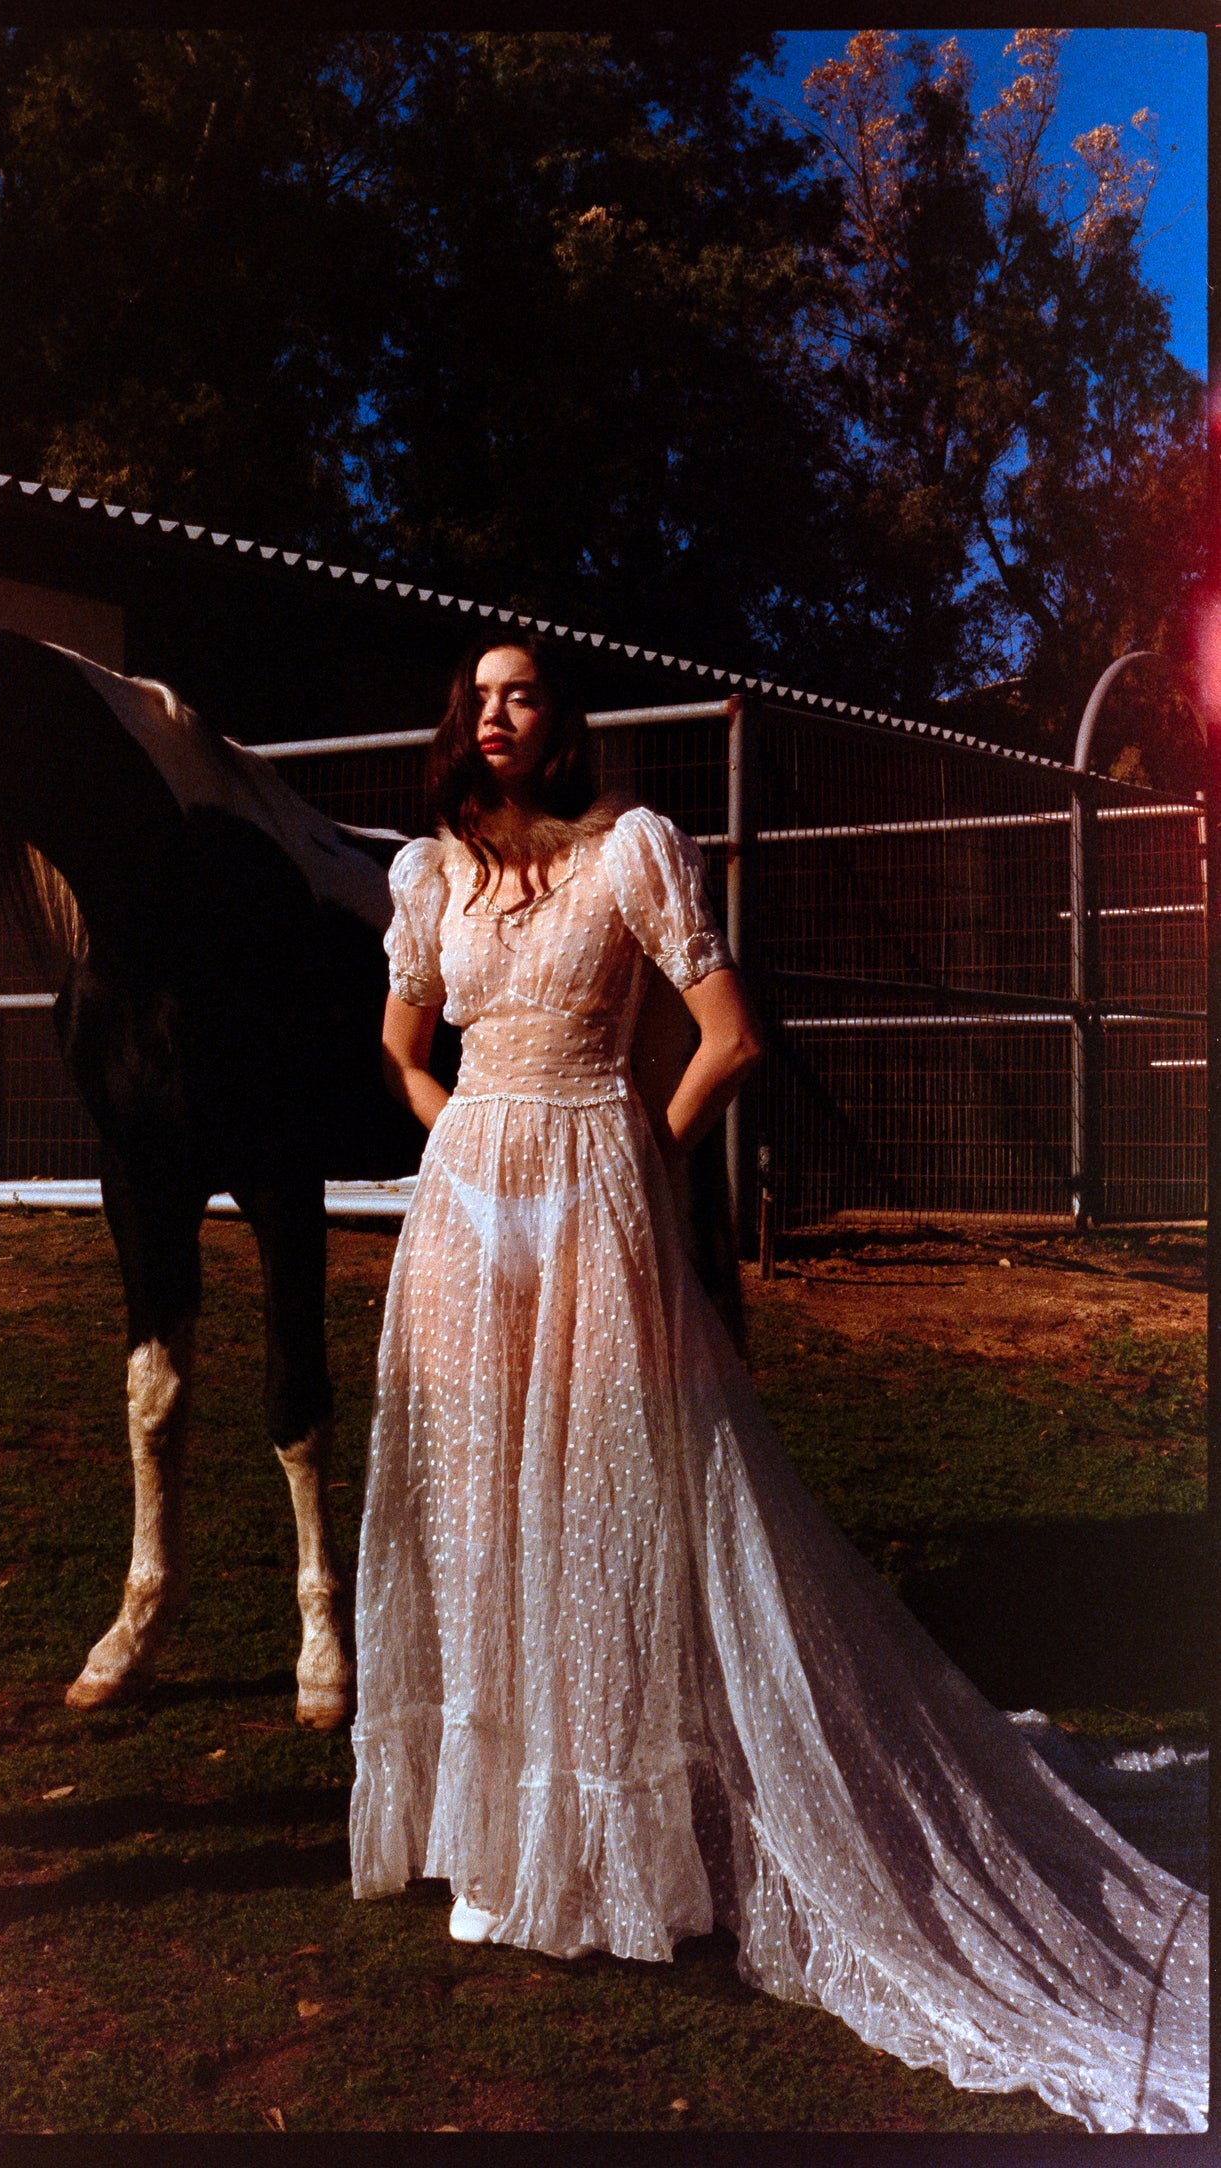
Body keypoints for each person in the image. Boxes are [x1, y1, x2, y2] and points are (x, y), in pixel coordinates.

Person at [348, 635, 1207, 2134]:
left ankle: (613, 1850)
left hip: (595, 1197)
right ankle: (496, 1844)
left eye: (523, 691)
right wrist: (456, 1149)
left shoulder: (634, 850)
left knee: (601, 1505)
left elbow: (731, 1036)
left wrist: (630, 1153)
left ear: (564, 720)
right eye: (475, 693)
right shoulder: (432, 875)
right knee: (481, 1503)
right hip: (465, 1221)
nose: (494, 713)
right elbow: (400, 1042)